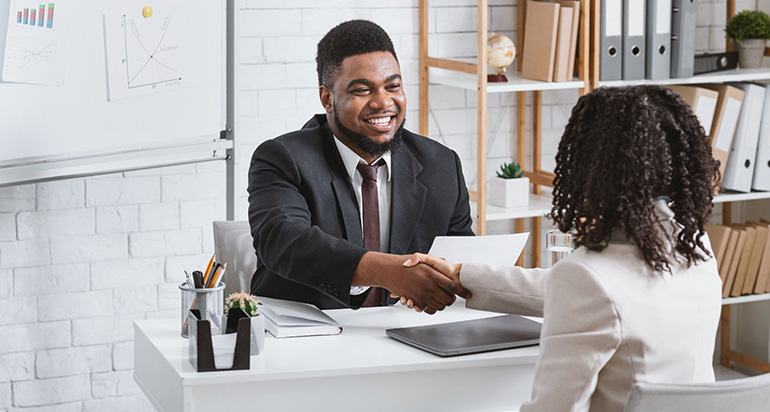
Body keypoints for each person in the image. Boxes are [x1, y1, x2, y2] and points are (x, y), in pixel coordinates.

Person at [405, 85, 723, 412]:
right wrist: (463, 275)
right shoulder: (694, 244)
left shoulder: (587, 276)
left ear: (590, 165)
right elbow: (600, 297)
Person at [247, 20, 474, 312]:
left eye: (393, 86)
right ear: (328, 98)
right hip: (307, 342)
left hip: (412, 336)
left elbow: (459, 259)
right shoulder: (282, 157)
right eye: (363, 90)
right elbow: (285, 241)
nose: (383, 102)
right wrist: (390, 272)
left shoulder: (441, 164)